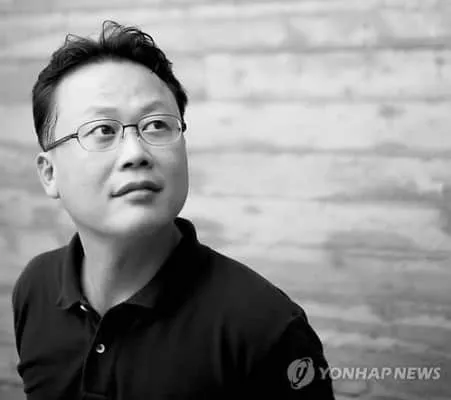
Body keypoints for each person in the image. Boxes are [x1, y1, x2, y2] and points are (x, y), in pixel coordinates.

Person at [11, 21, 335, 399]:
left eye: (156, 125)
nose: (136, 153)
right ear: (49, 174)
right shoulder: (35, 288)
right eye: (102, 130)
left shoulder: (265, 327)